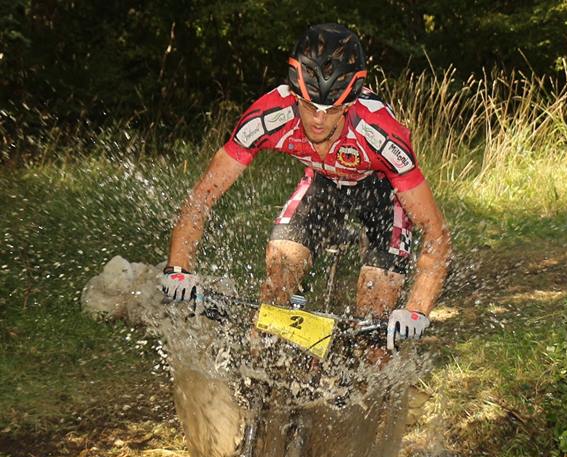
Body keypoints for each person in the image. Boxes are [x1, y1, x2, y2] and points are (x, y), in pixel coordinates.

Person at [160, 23, 451, 351]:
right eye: (309, 106)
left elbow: (435, 232)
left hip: (382, 191)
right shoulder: (270, 114)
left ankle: (373, 385)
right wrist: (178, 267)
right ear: (294, 94)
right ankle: (267, 362)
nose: (318, 120)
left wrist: (417, 308)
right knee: (280, 268)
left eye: (331, 111)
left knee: (375, 318)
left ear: (348, 104)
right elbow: (203, 196)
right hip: (323, 181)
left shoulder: (379, 133)